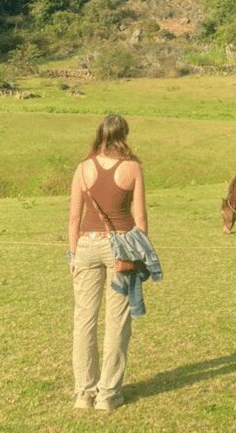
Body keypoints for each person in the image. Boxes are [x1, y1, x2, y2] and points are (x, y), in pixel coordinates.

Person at [67, 114, 148, 411]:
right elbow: (139, 219)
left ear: (99, 134)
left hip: (86, 244)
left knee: (84, 320)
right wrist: (143, 254)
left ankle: (83, 393)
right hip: (122, 248)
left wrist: (73, 254)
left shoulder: (83, 168)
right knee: (117, 321)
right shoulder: (133, 168)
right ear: (124, 134)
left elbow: (74, 217)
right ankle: (108, 394)